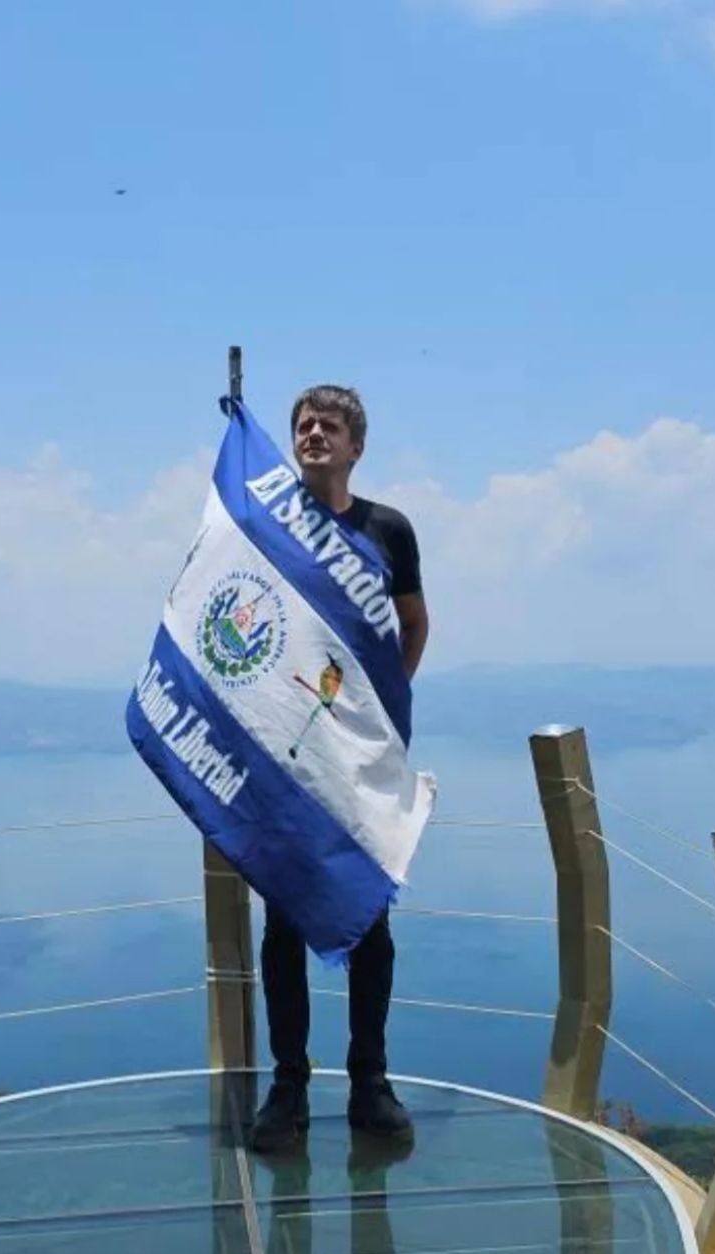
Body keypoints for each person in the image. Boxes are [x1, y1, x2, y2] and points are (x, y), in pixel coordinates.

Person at [249, 385, 429, 1154]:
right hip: (287, 751)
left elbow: (415, 622)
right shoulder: (270, 519)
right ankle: (288, 1084)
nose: (313, 433)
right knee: (284, 916)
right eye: (302, 425)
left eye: (329, 425)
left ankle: (369, 1082)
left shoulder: (387, 529)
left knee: (368, 913)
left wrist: (380, 703)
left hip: (356, 751)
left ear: (357, 445)